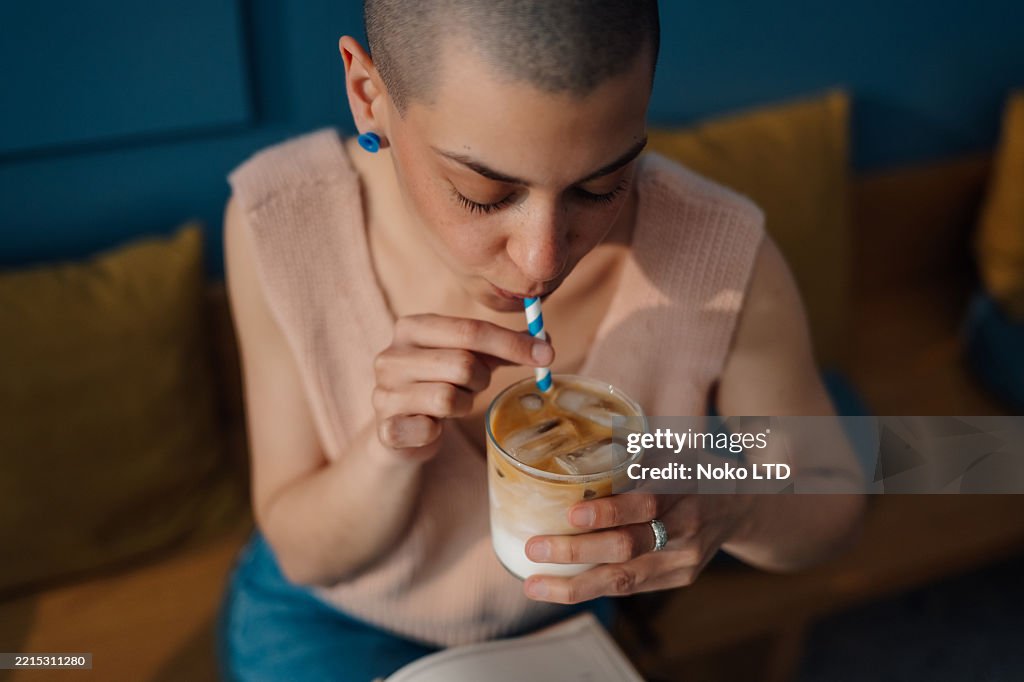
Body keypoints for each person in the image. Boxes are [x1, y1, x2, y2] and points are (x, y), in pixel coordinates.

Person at [216, 1, 867, 679]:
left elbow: (833, 499)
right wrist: (386, 448)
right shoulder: (281, 220)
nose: (541, 262)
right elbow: (306, 557)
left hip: (558, 619)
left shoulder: (726, 258)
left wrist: (738, 506)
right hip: (329, 620)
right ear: (368, 94)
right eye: (482, 194)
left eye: (601, 186)